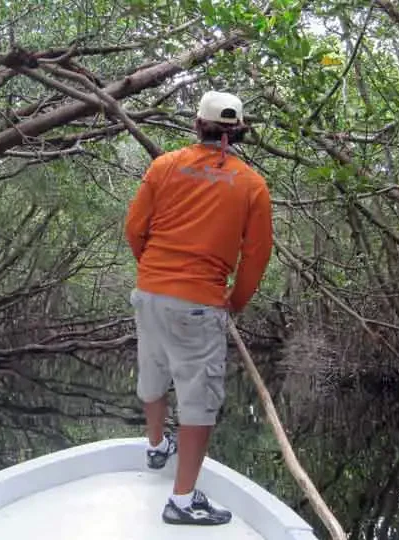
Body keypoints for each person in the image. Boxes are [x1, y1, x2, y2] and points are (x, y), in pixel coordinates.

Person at [124, 90, 274, 526]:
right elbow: (256, 257)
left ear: (197, 124)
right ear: (240, 131)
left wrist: (155, 274)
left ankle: (156, 448)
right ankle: (183, 501)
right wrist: (235, 302)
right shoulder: (252, 185)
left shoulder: (165, 165)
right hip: (200, 302)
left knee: (152, 371)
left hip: (149, 292)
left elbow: (135, 229)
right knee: (198, 403)